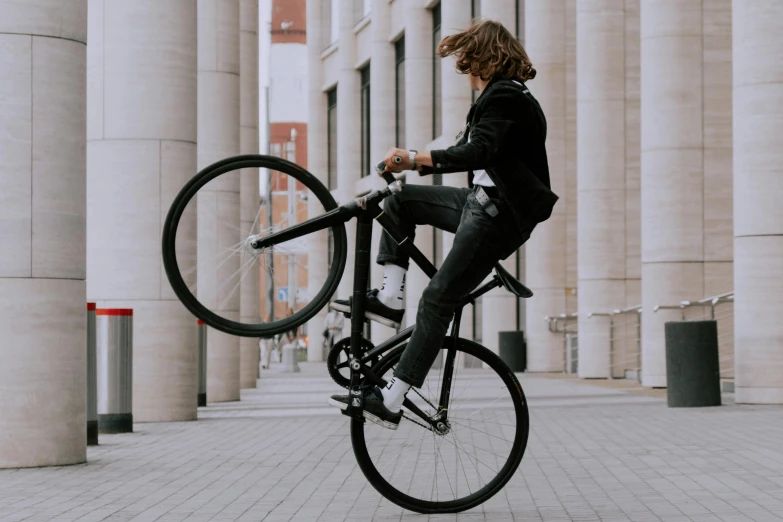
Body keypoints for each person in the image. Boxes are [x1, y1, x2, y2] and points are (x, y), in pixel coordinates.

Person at [328, 20, 558, 430]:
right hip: (480, 205)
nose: (466, 75)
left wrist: (415, 158)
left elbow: (478, 151)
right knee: (399, 199)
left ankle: (392, 399)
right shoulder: (503, 97)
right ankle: (390, 297)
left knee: (437, 300)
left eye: (467, 64)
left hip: (496, 215)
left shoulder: (506, 96)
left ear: (483, 60)